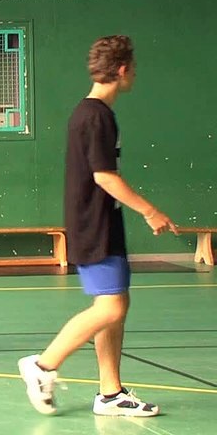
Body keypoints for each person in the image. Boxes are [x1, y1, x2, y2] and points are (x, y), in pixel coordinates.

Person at [18, 35, 178, 418]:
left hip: (104, 220)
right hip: (94, 223)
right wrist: (150, 211)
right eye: (133, 68)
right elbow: (104, 176)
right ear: (123, 70)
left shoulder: (97, 113)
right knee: (110, 307)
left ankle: (109, 394)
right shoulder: (94, 116)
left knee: (114, 305)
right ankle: (42, 366)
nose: (134, 73)